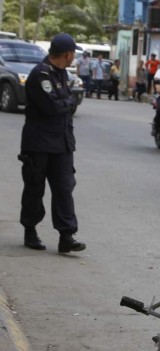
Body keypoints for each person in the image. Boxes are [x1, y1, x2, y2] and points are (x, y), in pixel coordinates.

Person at [19, 32, 86, 253]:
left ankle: (66, 235)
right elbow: (53, 107)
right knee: (34, 188)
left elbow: (61, 104)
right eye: (73, 52)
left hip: (62, 143)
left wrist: (65, 101)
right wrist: (70, 100)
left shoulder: (62, 73)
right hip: (38, 144)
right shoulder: (41, 74)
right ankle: (30, 230)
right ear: (67, 54)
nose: (74, 56)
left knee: (64, 188)